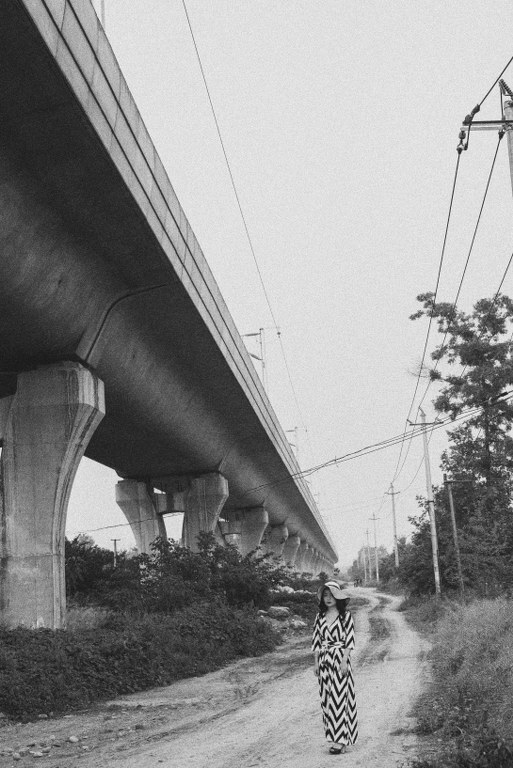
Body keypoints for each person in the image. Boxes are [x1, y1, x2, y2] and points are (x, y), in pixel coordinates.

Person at [311, 580, 358, 754]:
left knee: (340, 699)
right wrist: (316, 662)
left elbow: (349, 640)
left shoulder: (345, 616)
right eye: (325, 595)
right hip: (323, 659)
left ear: (338, 597)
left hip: (339, 658)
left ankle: (341, 741)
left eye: (331, 595)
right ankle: (334, 738)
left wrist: (345, 660)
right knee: (327, 700)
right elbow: (316, 641)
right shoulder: (319, 617)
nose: (328, 598)